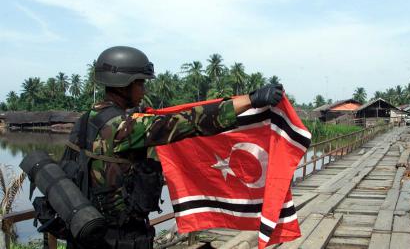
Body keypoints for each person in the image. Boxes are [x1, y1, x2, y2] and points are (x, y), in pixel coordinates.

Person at [63, 46, 284, 248]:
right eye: (140, 83)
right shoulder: (123, 127)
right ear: (124, 85)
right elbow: (187, 122)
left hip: (84, 230)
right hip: (117, 237)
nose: (143, 89)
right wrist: (251, 100)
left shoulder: (84, 121)